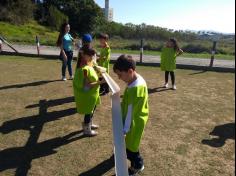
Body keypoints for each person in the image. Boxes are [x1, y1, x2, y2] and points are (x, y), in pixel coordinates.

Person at [113, 55, 149, 176]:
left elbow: (130, 113)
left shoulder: (135, 89)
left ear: (130, 71)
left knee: (131, 147)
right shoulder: (136, 79)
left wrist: (124, 129)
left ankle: (138, 165)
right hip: (136, 117)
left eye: (120, 75)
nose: (119, 78)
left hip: (134, 121)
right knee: (130, 144)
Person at [73, 47, 105, 136]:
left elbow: (92, 76)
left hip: (92, 94)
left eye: (93, 55)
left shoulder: (88, 64)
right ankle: (87, 130)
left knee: (92, 109)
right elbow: (87, 86)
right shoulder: (84, 69)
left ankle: (89, 124)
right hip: (88, 95)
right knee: (88, 111)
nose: (92, 57)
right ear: (83, 55)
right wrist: (101, 82)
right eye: (90, 55)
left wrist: (98, 72)